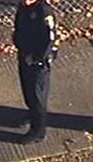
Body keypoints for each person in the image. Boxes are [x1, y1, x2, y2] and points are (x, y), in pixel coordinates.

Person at [13, 0, 58, 144]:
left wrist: (37, 58)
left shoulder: (43, 11)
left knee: (37, 95)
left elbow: (49, 39)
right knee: (27, 90)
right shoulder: (23, 7)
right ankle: (32, 114)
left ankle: (38, 131)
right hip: (25, 55)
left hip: (37, 61)